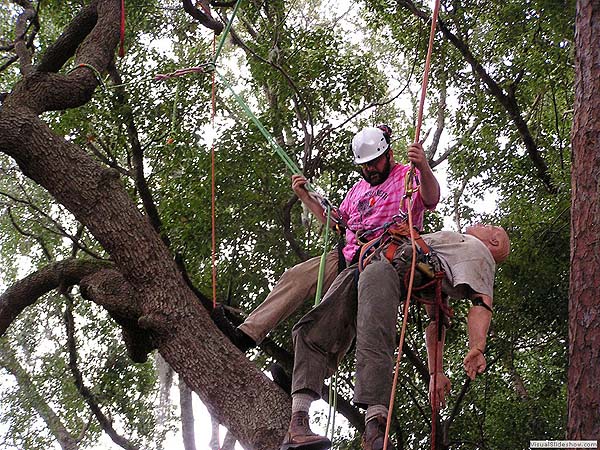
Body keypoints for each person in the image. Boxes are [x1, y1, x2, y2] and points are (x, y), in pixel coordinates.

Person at [281, 224, 510, 450]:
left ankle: (375, 426)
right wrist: (435, 372)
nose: (483, 224)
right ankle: (298, 422)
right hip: (370, 261)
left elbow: (481, 302)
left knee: (374, 331)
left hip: (391, 267)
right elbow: (437, 317)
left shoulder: (480, 253)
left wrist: (477, 346)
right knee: (313, 330)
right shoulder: (455, 246)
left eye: (491, 227)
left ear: (495, 242)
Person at [213, 125, 440, 351]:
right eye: (365, 165)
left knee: (336, 321)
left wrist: (424, 167)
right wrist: (306, 197)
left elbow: (431, 198)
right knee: (296, 277)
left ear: (389, 155)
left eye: (375, 162)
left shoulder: (407, 176)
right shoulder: (357, 190)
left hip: (383, 257)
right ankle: (246, 335)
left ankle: (307, 381)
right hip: (348, 256)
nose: (370, 169)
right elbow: (337, 222)